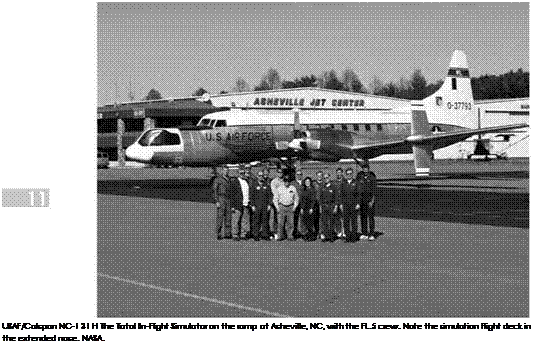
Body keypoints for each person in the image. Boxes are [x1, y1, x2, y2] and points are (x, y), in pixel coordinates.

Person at [273, 175, 299, 241]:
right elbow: (275, 199)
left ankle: (290, 236)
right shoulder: (279, 188)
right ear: (284, 181)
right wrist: (277, 207)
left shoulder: (293, 188)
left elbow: (296, 198)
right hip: (281, 206)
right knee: (280, 223)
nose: (286, 182)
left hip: (290, 206)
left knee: (290, 223)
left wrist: (295, 206)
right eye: (285, 181)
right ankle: (280, 236)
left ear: (289, 182)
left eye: (288, 181)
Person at [356, 163, 377, 241]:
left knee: (371, 217)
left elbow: (374, 190)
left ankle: (371, 234)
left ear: (368, 168)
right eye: (364, 168)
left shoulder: (372, 176)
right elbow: (357, 188)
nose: (365, 169)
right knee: (363, 217)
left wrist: (372, 201)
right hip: (362, 200)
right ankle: (364, 233)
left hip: (369, 200)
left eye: (366, 168)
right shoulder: (359, 176)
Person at [229, 166, 251, 241]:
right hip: (237, 204)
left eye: (243, 173)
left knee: (244, 220)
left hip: (245, 204)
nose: (242, 174)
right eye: (241, 173)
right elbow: (231, 195)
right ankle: (235, 234)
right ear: (238, 173)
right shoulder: (234, 182)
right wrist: (232, 206)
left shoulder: (246, 181)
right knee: (236, 220)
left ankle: (243, 234)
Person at [250, 170, 272, 240]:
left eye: (262, 176)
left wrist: (269, 204)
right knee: (256, 221)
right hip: (257, 206)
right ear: (257, 176)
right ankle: (256, 235)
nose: (261, 177)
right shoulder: (254, 185)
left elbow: (270, 196)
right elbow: (251, 196)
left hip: (265, 206)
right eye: (259, 176)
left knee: (265, 221)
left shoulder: (266, 185)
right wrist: (252, 205)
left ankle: (265, 235)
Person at [340, 167, 360, 242]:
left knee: (354, 222)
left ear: (352, 174)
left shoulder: (356, 182)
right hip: (345, 205)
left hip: (354, 205)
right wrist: (341, 204)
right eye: (347, 174)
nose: (349, 175)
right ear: (345, 174)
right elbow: (341, 194)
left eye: (350, 173)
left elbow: (359, 194)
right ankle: (348, 237)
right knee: (346, 222)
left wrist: (358, 203)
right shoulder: (343, 183)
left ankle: (354, 237)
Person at [212, 165, 232, 240]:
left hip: (228, 199)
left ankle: (227, 233)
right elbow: (214, 190)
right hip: (221, 198)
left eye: (227, 170)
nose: (226, 171)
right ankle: (219, 233)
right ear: (222, 171)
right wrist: (216, 201)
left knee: (228, 217)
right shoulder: (218, 179)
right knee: (220, 217)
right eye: (224, 170)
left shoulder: (229, 179)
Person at [318, 172, 338, 242]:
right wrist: (320, 207)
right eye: (324, 178)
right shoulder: (322, 187)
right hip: (324, 207)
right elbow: (320, 199)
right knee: (325, 222)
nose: (326, 179)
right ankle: (326, 236)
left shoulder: (333, 187)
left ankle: (332, 237)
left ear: (329, 178)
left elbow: (336, 198)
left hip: (331, 206)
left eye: (327, 177)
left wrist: (335, 207)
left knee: (332, 222)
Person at [299, 177, 317, 241]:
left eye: (308, 181)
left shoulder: (312, 190)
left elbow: (313, 200)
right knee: (305, 223)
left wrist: (312, 208)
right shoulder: (304, 189)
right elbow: (301, 199)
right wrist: (301, 208)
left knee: (310, 223)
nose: (307, 183)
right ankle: (307, 235)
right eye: (306, 181)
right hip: (304, 208)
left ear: (310, 182)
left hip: (310, 208)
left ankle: (311, 236)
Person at [269, 167, 284, 238]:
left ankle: (280, 232)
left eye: (281, 172)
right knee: (273, 218)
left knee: (280, 218)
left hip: (282, 202)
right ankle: (273, 232)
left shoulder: (284, 181)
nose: (280, 173)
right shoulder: (273, 181)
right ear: (276, 173)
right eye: (278, 172)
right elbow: (275, 192)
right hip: (275, 202)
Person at [333, 167, 346, 239]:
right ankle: (338, 231)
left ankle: (344, 231)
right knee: (337, 217)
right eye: (337, 173)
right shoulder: (334, 182)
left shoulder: (345, 181)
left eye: (340, 172)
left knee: (343, 217)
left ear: (342, 173)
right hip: (336, 202)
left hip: (343, 203)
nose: (338, 174)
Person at [292, 169, 305, 239]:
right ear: (295, 175)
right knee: (295, 219)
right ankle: (295, 233)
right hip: (295, 203)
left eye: (300, 174)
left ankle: (303, 233)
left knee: (303, 219)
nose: (299, 176)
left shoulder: (304, 183)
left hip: (303, 204)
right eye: (297, 174)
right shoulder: (293, 183)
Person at [312, 170, 324, 241]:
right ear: (316, 176)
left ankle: (322, 232)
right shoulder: (313, 184)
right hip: (315, 204)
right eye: (318, 175)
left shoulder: (324, 183)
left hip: (323, 204)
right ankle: (316, 233)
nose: (319, 177)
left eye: (321, 175)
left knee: (322, 219)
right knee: (315, 219)